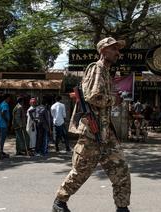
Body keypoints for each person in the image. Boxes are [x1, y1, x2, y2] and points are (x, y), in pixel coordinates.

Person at [52, 37, 131, 212]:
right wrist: (114, 99)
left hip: (106, 134)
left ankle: (122, 208)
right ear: (103, 50)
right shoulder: (97, 68)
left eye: (118, 49)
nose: (118, 53)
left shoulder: (107, 73)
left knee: (121, 171)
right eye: (114, 49)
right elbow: (93, 96)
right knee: (80, 172)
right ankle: (59, 202)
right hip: (92, 134)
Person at [0, 94, 11, 158]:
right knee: (3, 138)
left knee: (2, 138)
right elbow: (3, 113)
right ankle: (1, 152)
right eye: (9, 98)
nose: (9, 100)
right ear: (6, 98)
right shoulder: (5, 104)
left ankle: (1, 151)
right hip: (3, 124)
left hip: (0, 123)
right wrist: (7, 121)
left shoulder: (1, 104)